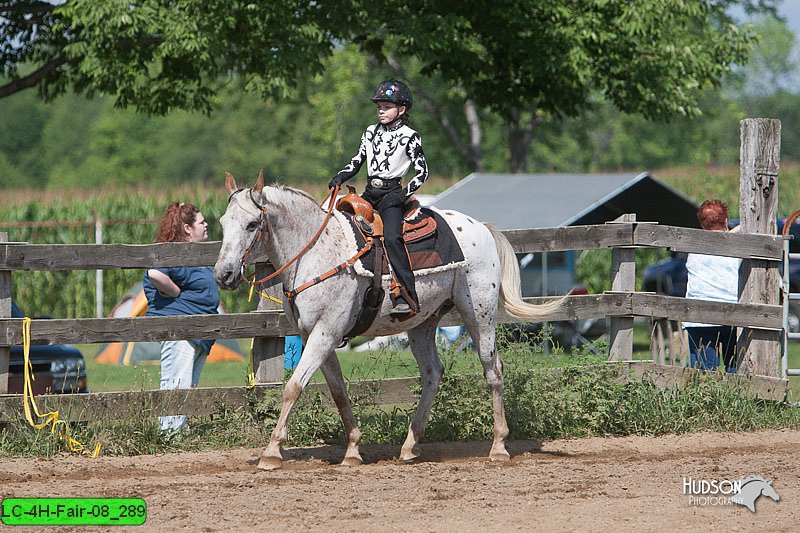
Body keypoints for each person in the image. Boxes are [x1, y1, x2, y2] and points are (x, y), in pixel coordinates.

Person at [329, 79, 429, 318]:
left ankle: (406, 295)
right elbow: (358, 160)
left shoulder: (410, 136)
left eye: (387, 106)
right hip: (369, 193)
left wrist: (402, 194)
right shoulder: (370, 132)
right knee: (340, 225)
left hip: (393, 195)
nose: (381, 111)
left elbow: (423, 172)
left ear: (401, 110)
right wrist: (340, 176)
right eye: (379, 107)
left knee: (393, 237)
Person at [143, 202, 219, 433]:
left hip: (197, 332)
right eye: (201, 222)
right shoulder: (173, 251)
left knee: (187, 385)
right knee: (177, 383)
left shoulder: (195, 254)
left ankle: (178, 431)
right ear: (187, 228)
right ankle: (169, 434)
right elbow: (154, 273)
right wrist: (175, 292)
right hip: (180, 329)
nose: (206, 225)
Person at [683, 199, 741, 372]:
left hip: (699, 315)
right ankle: (735, 398)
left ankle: (707, 398)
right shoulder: (737, 244)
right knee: (735, 368)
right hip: (732, 312)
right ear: (725, 221)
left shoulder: (693, 244)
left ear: (701, 223)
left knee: (704, 371)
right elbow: (735, 232)